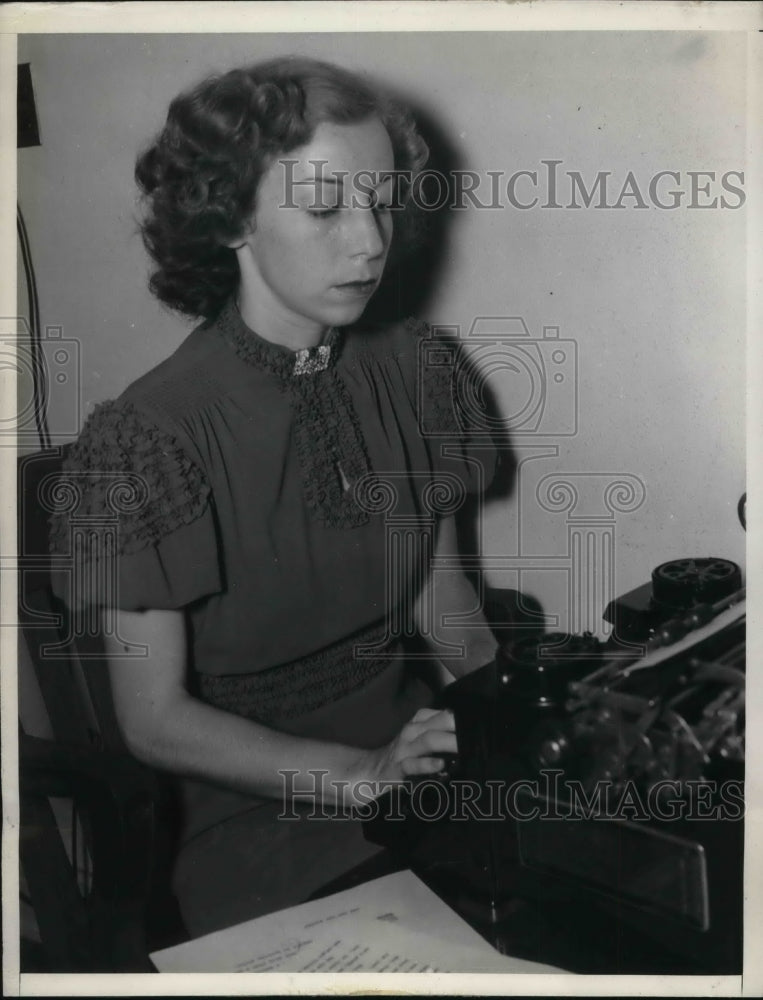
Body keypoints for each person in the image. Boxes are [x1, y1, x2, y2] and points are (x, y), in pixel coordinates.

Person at [49, 56, 498, 938]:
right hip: (259, 822)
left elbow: (443, 607)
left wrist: (517, 718)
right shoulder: (145, 438)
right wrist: (360, 771)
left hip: (424, 769)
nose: (369, 242)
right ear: (228, 218)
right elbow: (155, 724)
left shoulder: (416, 369)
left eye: (379, 201)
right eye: (326, 207)